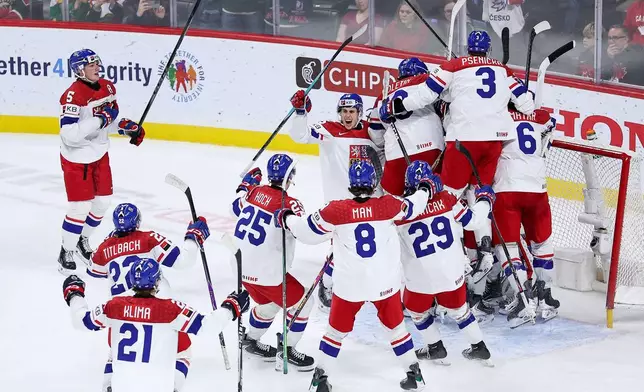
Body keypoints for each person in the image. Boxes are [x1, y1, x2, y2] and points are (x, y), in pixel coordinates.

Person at [379, 30, 534, 289]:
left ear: (467, 47)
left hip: (464, 143)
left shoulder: (453, 65)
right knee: (480, 193)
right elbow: (528, 104)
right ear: (487, 49)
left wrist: (396, 105)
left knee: (446, 199)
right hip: (494, 142)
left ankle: (457, 260)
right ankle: (484, 252)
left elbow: (428, 94)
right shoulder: (503, 70)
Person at [275, 159, 441, 392]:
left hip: (349, 286)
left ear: (351, 184)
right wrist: (425, 188)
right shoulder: (388, 205)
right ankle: (415, 376)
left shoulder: (336, 210)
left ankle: (320, 380)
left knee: (335, 333)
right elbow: (414, 205)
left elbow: (306, 233)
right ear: (374, 183)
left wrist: (286, 218)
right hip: (384, 284)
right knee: (396, 330)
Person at [63, 257, 249, 392]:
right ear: (157, 282)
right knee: (183, 353)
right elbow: (208, 327)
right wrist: (231, 307)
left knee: (114, 353)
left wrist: (74, 294)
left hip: (121, 387)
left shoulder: (114, 306)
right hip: (159, 387)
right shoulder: (170, 309)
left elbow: (83, 321)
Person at [86, 202, 210, 391]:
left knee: (115, 354)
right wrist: (193, 238)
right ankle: (173, 387)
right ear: (137, 221)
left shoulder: (104, 247)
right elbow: (183, 261)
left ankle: (109, 386)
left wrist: (111, 242)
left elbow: (93, 270)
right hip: (158, 308)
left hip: (120, 311)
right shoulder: (149, 239)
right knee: (182, 352)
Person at [288, 90, 385, 311]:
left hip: (370, 200)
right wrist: (300, 113)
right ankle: (328, 283)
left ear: (360, 112)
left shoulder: (372, 133)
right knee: (340, 247)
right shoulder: (330, 130)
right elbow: (299, 136)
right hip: (340, 203)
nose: (347, 116)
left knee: (367, 246)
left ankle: (359, 280)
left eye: (352, 111)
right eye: (344, 111)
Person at [58, 49, 145, 276]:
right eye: (91, 65)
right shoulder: (72, 96)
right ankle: (65, 250)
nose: (97, 67)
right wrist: (100, 119)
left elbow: (109, 121)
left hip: (99, 155)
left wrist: (125, 128)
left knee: (103, 202)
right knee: (80, 207)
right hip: (76, 158)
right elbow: (69, 134)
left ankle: (82, 241)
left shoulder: (107, 87)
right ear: (79, 70)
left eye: (97, 63)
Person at [397, 161, 494, 365]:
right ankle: (479, 347)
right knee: (460, 311)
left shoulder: (402, 210)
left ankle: (435, 347)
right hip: (452, 274)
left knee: (416, 311)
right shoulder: (448, 199)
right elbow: (473, 222)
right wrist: (485, 200)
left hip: (419, 279)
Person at [232, 153, 315, 370]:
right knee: (305, 302)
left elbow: (235, 207)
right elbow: (305, 233)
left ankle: (250, 340)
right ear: (290, 176)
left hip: (240, 270)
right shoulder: (291, 203)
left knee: (270, 304)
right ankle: (286, 351)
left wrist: (244, 186)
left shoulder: (253, 192)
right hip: (267, 274)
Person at [490, 105, 560, 328]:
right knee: (542, 243)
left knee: (507, 247)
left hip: (508, 188)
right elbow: (551, 127)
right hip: (538, 189)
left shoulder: (497, 115)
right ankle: (545, 297)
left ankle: (523, 299)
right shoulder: (540, 116)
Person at [372, 57, 445, 196]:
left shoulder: (383, 95)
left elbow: (375, 134)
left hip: (396, 156)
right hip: (431, 150)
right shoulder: (427, 80)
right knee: (438, 197)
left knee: (394, 206)